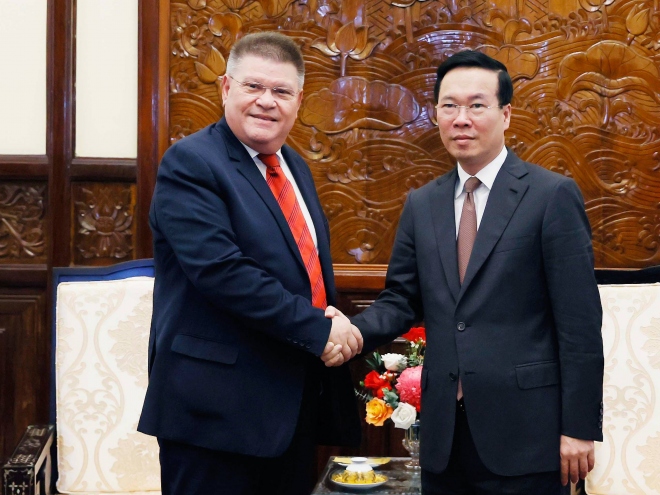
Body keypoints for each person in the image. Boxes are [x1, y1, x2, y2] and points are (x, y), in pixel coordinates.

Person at [342, 50, 605, 494]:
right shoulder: (422, 204)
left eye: (476, 105)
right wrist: (351, 331)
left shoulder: (551, 196)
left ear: (506, 114)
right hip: (445, 437)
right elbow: (401, 300)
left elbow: (579, 323)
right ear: (436, 115)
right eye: (449, 106)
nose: (461, 119)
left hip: (528, 435)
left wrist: (578, 427)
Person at [138, 32, 362, 495]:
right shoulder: (191, 163)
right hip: (214, 415)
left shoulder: (294, 166)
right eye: (253, 86)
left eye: (281, 91)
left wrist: (329, 323)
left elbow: (303, 271)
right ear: (226, 88)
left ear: (298, 101)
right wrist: (320, 328)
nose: (266, 101)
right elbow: (222, 272)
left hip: (288, 409)